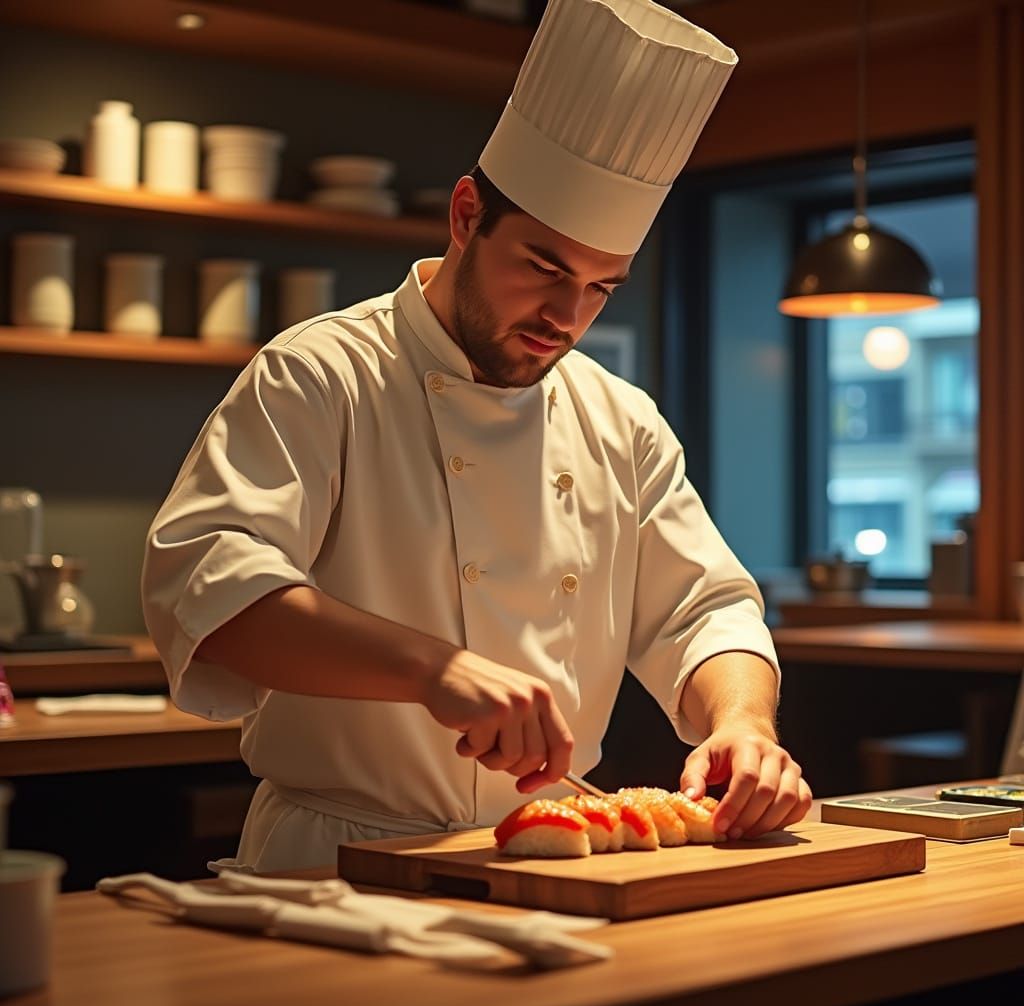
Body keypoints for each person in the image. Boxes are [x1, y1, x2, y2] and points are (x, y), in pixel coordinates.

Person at [142, 0, 811, 872]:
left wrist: (743, 723)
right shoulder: (321, 373)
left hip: (554, 856)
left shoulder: (622, 418)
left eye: (602, 288)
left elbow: (705, 608)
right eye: (543, 268)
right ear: (466, 215)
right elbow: (209, 591)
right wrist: (432, 669)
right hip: (336, 862)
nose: (566, 318)